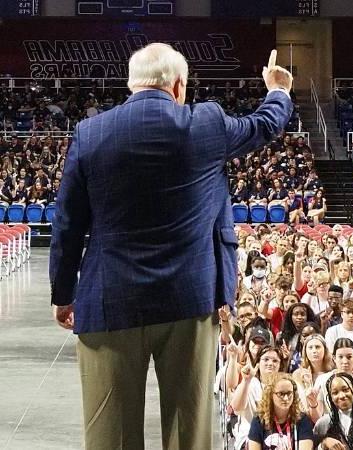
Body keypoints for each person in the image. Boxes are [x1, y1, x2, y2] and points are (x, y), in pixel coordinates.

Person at [48, 44, 293, 450]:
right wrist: (278, 90)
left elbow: (68, 224)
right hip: (190, 300)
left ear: (131, 84)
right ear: (178, 86)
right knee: (188, 431)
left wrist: (63, 294)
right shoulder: (207, 123)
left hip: (109, 300)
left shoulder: (89, 133)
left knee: (111, 433)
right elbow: (263, 125)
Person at [248, 373, 314, 450]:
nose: (286, 398)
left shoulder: (302, 419)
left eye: (289, 393)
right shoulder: (259, 419)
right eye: (281, 394)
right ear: (270, 395)